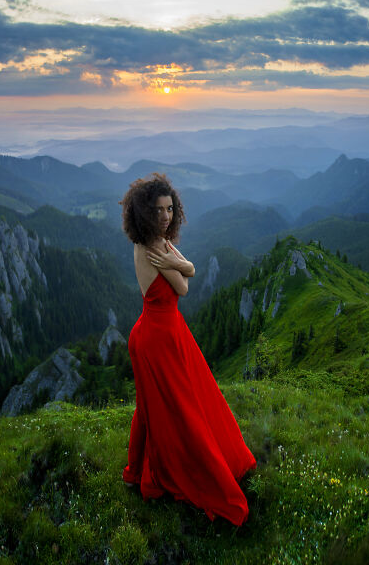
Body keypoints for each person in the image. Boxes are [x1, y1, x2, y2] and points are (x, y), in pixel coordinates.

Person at [119, 172, 257, 526]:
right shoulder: (150, 248)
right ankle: (171, 471)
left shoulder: (160, 243)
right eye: (158, 210)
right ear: (144, 212)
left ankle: (137, 471)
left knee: (159, 406)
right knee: (178, 409)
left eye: (169, 209)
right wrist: (178, 266)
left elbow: (190, 268)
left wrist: (177, 263)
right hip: (156, 338)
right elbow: (184, 287)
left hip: (166, 331)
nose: (165, 216)